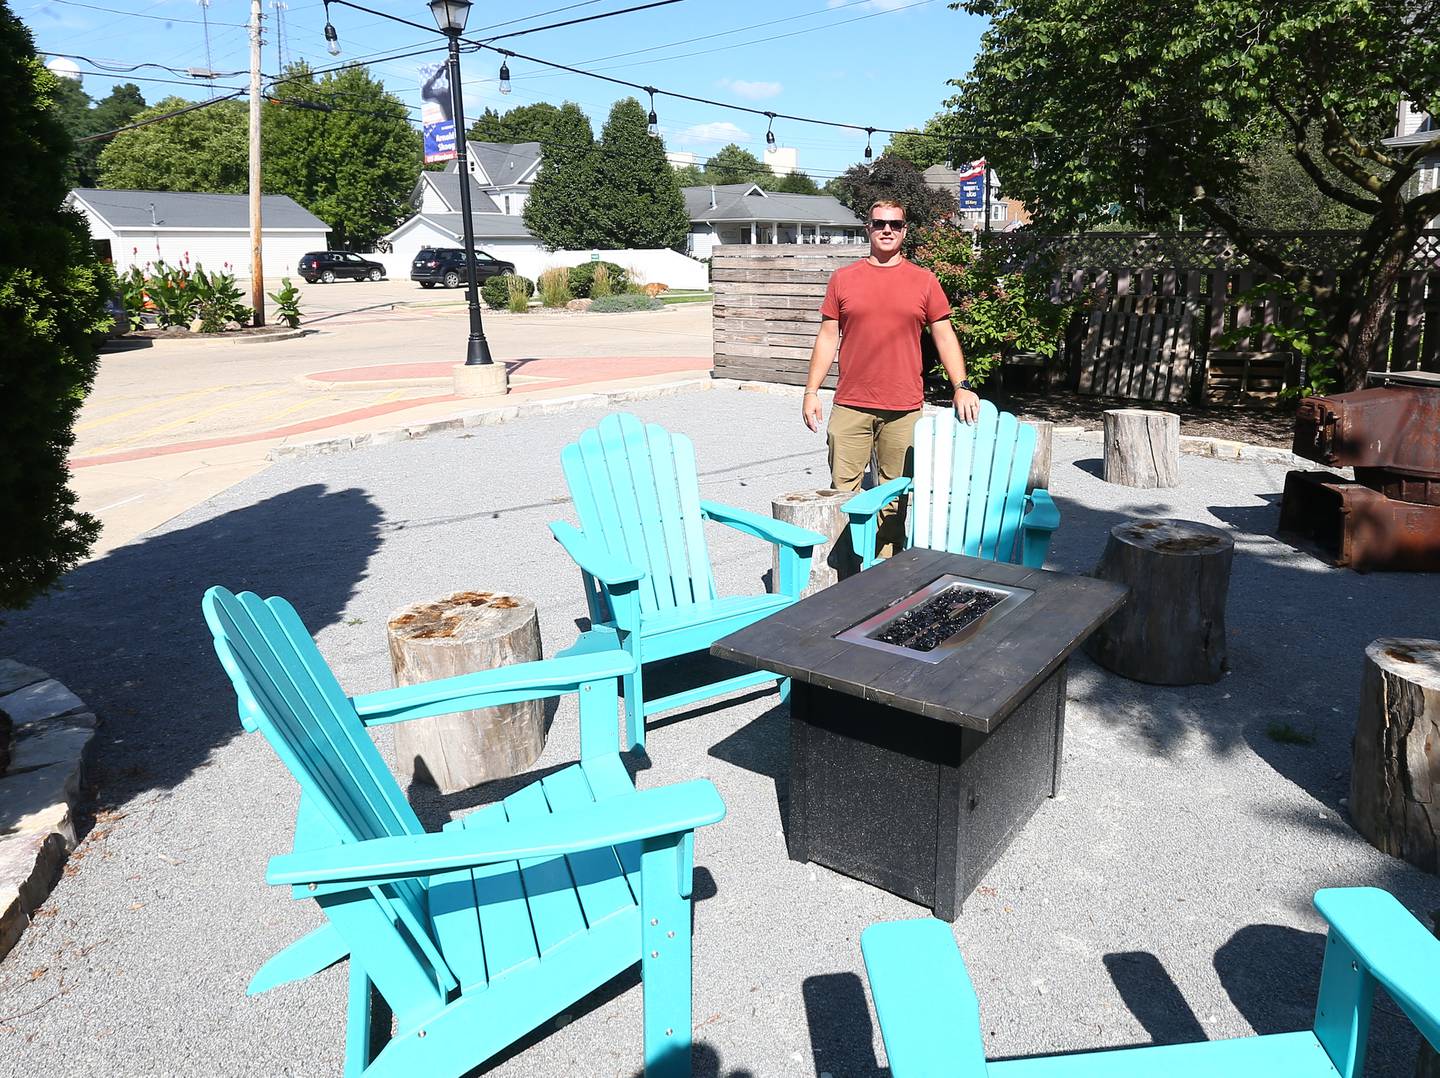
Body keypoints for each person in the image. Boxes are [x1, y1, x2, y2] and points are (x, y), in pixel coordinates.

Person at [801, 199, 979, 559]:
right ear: (868, 228)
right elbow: (826, 336)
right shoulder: (844, 279)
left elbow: (944, 335)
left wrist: (961, 385)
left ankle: (885, 567)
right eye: (880, 223)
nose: (887, 229)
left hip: (903, 406)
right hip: (851, 403)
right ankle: (845, 564)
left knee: (895, 494)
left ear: (904, 231)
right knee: (843, 491)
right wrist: (811, 391)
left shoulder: (924, 281)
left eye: (895, 224)